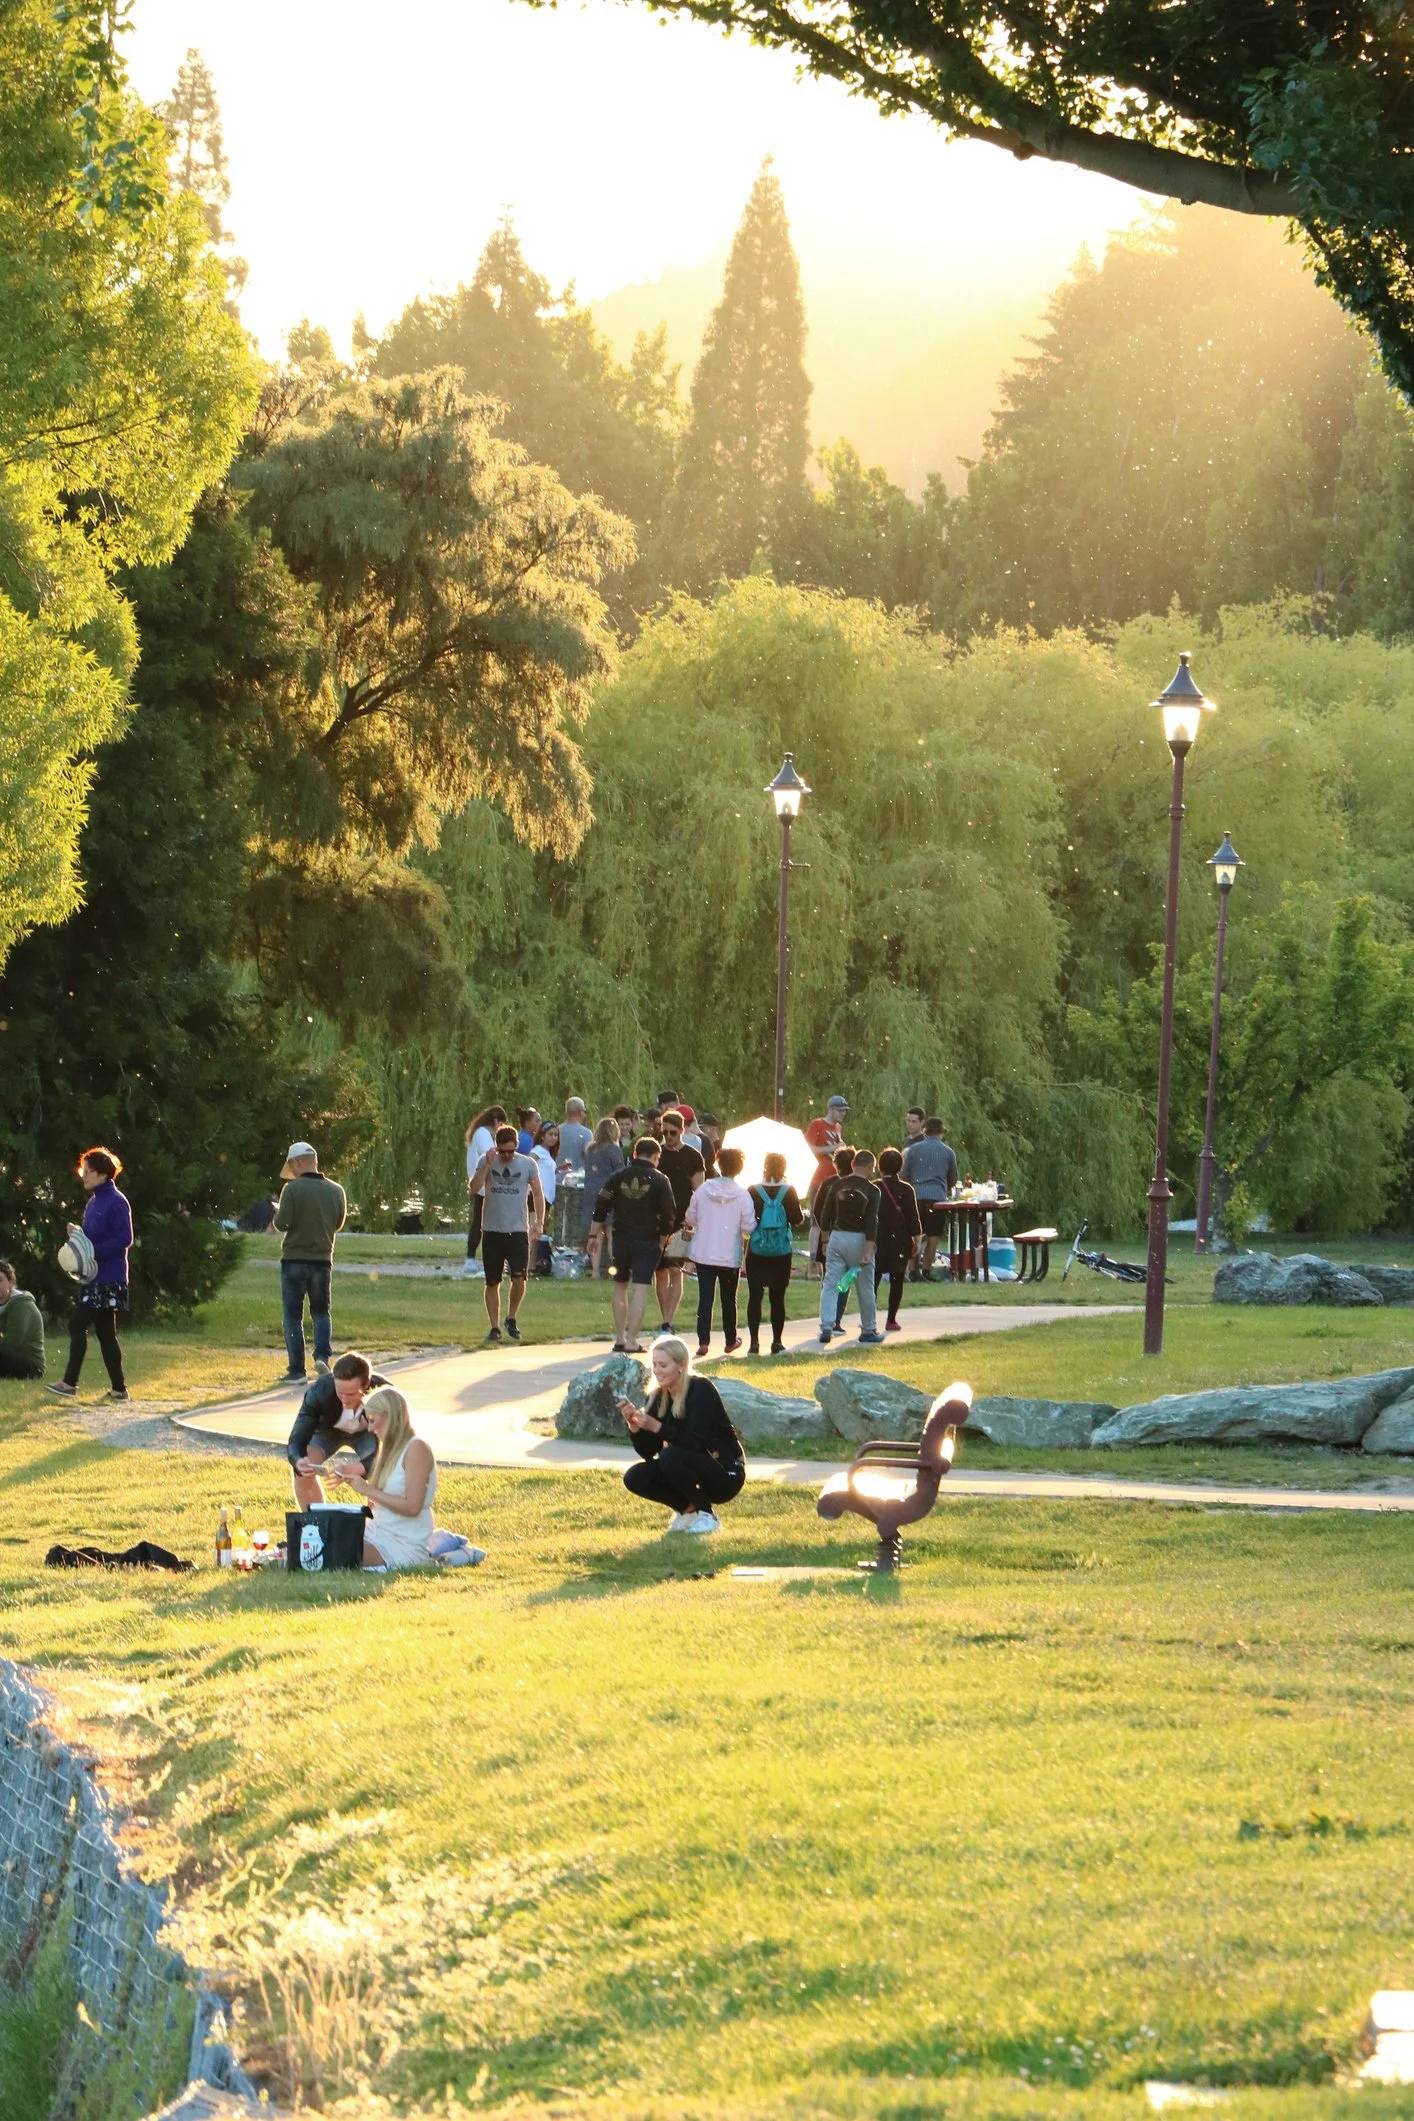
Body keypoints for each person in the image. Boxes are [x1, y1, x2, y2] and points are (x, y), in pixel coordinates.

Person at [619, 1336, 745, 1535]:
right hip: (687, 1463)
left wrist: (658, 1427)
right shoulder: (656, 1396)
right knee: (635, 1476)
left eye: (663, 1365)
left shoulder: (701, 1389)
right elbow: (648, 1452)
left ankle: (707, 1515)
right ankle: (688, 1512)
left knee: (671, 1456)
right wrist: (634, 1425)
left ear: (681, 1365)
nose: (657, 1371)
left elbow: (694, 1442)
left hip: (725, 1472)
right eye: (654, 1365)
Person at [46, 1147, 133, 1403]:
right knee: (106, 1333)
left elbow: (125, 1238)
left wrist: (93, 1250)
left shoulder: (117, 1201)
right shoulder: (93, 1201)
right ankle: (119, 1390)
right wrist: (77, 1234)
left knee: (77, 1324)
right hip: (94, 1277)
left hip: (110, 1278)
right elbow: (90, 1239)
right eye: (83, 1170)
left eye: (89, 1171)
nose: (83, 1175)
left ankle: (69, 1383)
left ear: (103, 1174)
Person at [327, 1386, 437, 1570]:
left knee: (335, 1552)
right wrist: (353, 1480)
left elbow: (412, 1507)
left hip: (402, 1544)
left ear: (391, 1417)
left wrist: (368, 1489)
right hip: (376, 1531)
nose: (370, 1428)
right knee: (322, 1535)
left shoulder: (417, 1448)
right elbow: (375, 1505)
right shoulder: (387, 1450)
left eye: (372, 1420)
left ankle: (283, 1560)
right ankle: (279, 1558)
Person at [588, 1136, 677, 1353]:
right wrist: (663, 1240)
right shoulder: (660, 1180)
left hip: (621, 1239)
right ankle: (632, 1340)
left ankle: (619, 1338)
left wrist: (592, 1236)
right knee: (641, 1288)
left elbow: (601, 1205)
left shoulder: (617, 1177)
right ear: (657, 1157)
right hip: (648, 1240)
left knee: (620, 1285)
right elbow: (668, 1215)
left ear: (635, 1154)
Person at [272, 1142, 346, 1383]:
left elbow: (281, 1224)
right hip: (323, 1260)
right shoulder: (337, 1191)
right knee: (321, 1311)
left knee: (293, 1315)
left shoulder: (291, 1190)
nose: (291, 1172)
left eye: (292, 1166)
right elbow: (338, 1224)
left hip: (294, 1259)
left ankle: (296, 1370)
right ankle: (322, 1355)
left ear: (297, 1163)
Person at [469, 1125, 545, 1344]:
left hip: (518, 1229)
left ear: (517, 1147)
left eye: (510, 1151)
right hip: (493, 1229)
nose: (506, 1156)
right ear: (497, 1147)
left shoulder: (528, 1164)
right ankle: (494, 1327)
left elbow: (538, 1195)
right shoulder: (488, 1160)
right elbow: (474, 1188)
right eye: (502, 1151)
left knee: (519, 1277)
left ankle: (511, 1318)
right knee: (492, 1281)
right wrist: (488, 1164)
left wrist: (539, 1222)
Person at [287, 1351, 389, 1509]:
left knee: (381, 1474)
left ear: (367, 1386)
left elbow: (394, 1449)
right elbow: (297, 1439)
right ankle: (315, 1524)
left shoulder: (385, 1394)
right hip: (328, 1431)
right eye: (339, 1392)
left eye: (351, 1394)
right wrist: (298, 1460)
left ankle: (376, 1525)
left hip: (368, 1432)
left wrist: (358, 1468)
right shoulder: (319, 1392)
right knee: (303, 1470)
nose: (344, 1399)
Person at [683, 1146, 756, 1357]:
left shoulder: (704, 1190)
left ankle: (703, 1340)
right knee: (728, 1299)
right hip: (728, 1254)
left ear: (718, 1163)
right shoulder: (742, 1195)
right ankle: (730, 1339)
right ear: (739, 1169)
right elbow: (748, 1226)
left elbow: (690, 1218)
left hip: (704, 1251)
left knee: (705, 1298)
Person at [817, 1149, 884, 1347]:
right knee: (865, 1287)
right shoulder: (872, 1190)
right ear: (871, 1168)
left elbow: (826, 1213)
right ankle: (868, 1329)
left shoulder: (837, 1184)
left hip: (837, 1237)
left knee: (831, 1283)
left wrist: (825, 1239)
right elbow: (872, 1220)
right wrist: (869, 1248)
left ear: (853, 1163)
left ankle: (827, 1325)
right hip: (860, 1238)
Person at [745, 1155, 806, 1355]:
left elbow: (746, 1219)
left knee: (755, 1296)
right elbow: (797, 1219)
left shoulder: (753, 1190)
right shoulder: (788, 1191)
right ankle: (776, 1341)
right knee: (777, 1297)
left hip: (757, 1249)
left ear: (764, 1167)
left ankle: (754, 1343)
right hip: (781, 1251)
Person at [655, 1108, 706, 1333]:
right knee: (660, 1272)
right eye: (664, 1132)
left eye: (672, 1133)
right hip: (656, 1218)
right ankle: (665, 1317)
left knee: (676, 1270)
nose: (667, 1137)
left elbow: (699, 1191)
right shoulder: (657, 1154)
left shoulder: (693, 1156)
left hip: (682, 1218)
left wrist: (694, 1221)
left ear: (682, 1131)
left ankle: (667, 1320)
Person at [903, 1117, 960, 1279]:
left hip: (916, 1197)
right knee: (934, 1236)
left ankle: (912, 1270)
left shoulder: (913, 1150)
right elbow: (953, 1178)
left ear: (925, 1131)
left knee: (915, 1235)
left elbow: (904, 1174)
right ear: (942, 1133)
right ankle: (926, 1270)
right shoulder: (948, 1152)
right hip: (937, 1199)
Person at [874, 1148, 923, 1332]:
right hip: (899, 1240)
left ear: (880, 1166)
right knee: (897, 1280)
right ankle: (891, 1319)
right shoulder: (906, 1189)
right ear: (900, 1167)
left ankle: (869, 1318)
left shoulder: (874, 1187)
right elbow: (913, 1217)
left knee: (874, 1279)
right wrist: (916, 1240)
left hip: (877, 1239)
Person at [463, 1104, 507, 1276]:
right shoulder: (483, 1134)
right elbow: (491, 1154)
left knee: (479, 1222)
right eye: (501, 1124)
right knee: (482, 1223)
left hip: (481, 1183)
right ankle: (473, 1258)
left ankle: (473, 1258)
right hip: (484, 1185)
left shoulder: (478, 1133)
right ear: (496, 1121)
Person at [582, 1118, 625, 1278]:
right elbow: (619, 1172)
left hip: (591, 1192)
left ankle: (594, 1272)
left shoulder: (590, 1149)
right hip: (609, 1193)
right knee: (611, 1233)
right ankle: (616, 1270)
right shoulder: (614, 1150)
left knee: (595, 1233)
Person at [0, 1261, 44, 1380]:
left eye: (0, 1280)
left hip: (32, 1367)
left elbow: (11, 1342)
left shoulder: (21, 1305)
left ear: (10, 1282)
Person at [805, 1095, 849, 1196]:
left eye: (844, 1111)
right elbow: (808, 1150)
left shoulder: (838, 1127)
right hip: (818, 1178)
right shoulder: (817, 1124)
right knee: (817, 1209)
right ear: (831, 1109)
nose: (843, 1113)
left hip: (835, 1178)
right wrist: (834, 1147)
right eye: (840, 1110)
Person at [558, 1098, 593, 1175]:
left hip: (556, 1179)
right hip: (576, 1181)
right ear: (580, 1112)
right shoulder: (586, 1133)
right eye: (584, 1112)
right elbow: (591, 1157)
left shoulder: (556, 1131)